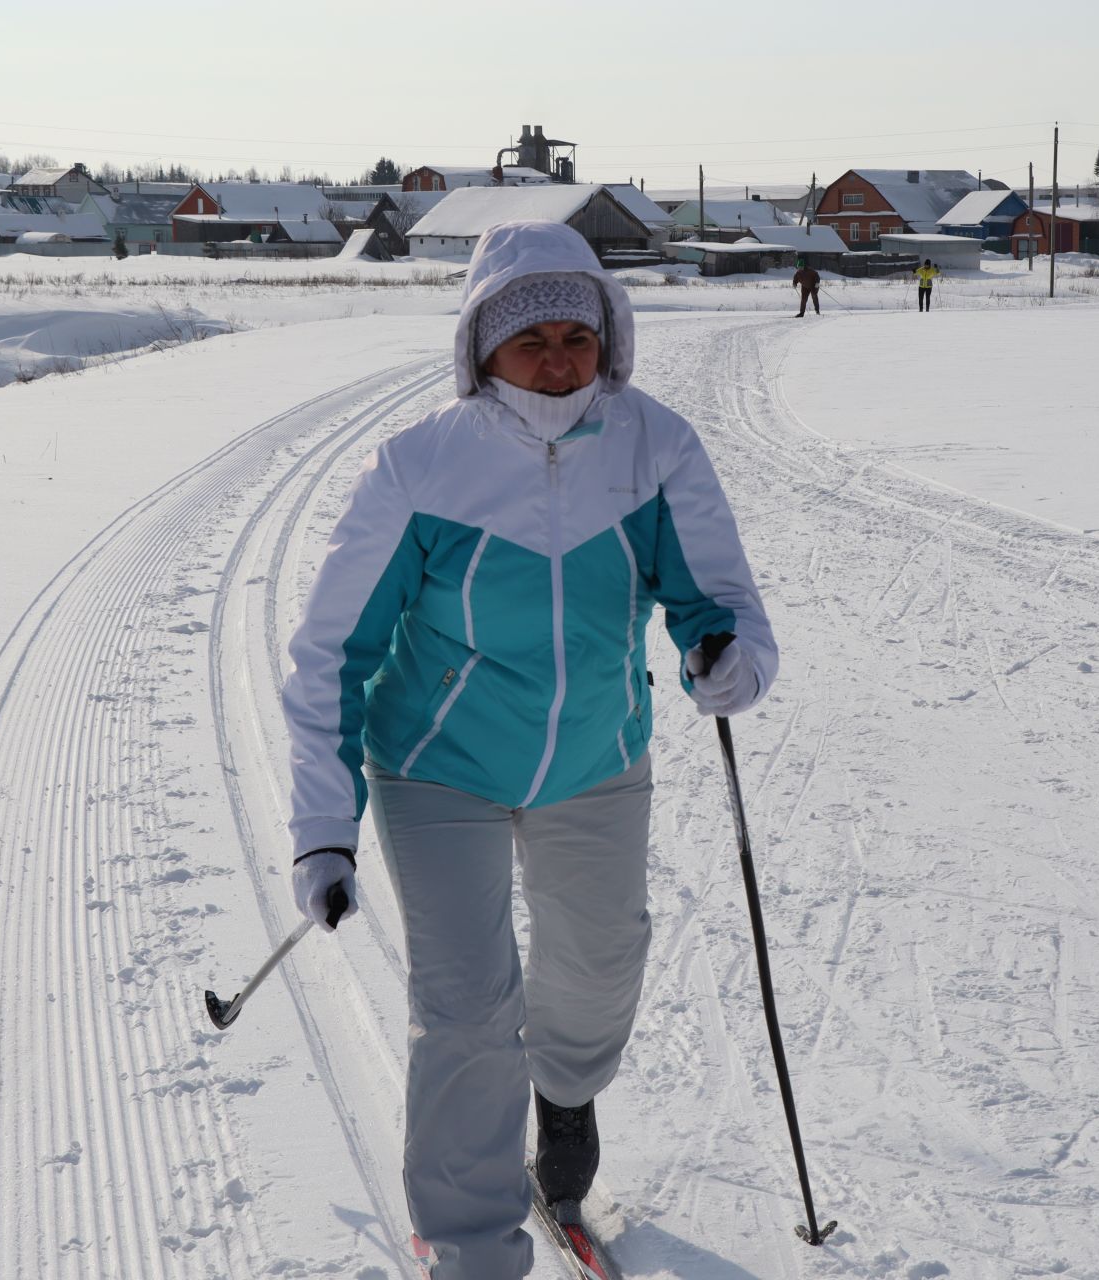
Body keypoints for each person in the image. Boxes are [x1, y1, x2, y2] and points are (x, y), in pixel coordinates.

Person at [279, 219, 778, 1278]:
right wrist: (325, 830)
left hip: (596, 755)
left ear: (609, 338)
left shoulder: (656, 446)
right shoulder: (419, 469)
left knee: (597, 967)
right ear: (481, 349)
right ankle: (467, 1245)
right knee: (465, 1006)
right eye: (530, 339)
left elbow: (718, 597)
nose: (559, 361)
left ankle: (564, 1098)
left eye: (577, 336)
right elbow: (330, 652)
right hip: (437, 765)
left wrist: (725, 655)